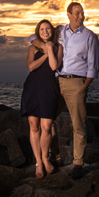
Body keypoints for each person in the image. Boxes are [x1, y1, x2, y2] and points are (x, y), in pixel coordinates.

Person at [56, 1, 99, 179]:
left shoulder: (90, 36)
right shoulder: (59, 31)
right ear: (68, 14)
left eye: (82, 13)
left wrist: (84, 86)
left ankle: (78, 163)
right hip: (57, 81)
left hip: (77, 83)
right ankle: (55, 156)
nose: (80, 16)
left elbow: (94, 65)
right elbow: (34, 36)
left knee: (78, 125)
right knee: (48, 119)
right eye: (77, 13)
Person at [20, 18, 60, 178]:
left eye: (48, 29)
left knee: (46, 126)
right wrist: (44, 54)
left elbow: (54, 66)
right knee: (34, 125)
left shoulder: (58, 47)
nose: (45, 32)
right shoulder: (32, 48)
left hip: (49, 88)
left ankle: (45, 157)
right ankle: (38, 162)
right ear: (38, 31)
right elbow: (30, 67)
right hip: (32, 87)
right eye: (42, 29)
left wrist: (50, 49)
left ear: (52, 31)